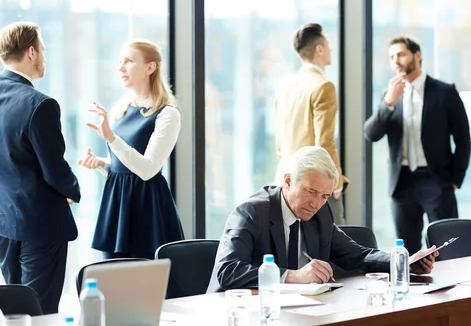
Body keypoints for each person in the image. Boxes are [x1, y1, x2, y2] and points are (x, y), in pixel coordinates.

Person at [207, 146, 438, 293]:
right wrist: (294, 276)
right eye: (311, 192)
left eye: (325, 196)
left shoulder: (320, 214)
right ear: (287, 181)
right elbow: (228, 271)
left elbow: (357, 254)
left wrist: (402, 264)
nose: (316, 203)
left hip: (294, 312)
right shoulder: (251, 212)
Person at [0, 21, 81, 314]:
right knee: (40, 310)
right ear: (31, 52)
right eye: (44, 50)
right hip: (40, 225)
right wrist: (72, 188)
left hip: (5, 221)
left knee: (16, 311)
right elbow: (54, 169)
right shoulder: (40, 104)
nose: (45, 57)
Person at [77, 39, 184, 259]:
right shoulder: (121, 107)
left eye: (128, 61)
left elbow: (147, 169)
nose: (120, 68)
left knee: (147, 283)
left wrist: (111, 138)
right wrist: (101, 164)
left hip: (147, 209)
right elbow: (122, 166)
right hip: (117, 205)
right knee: (113, 281)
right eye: (120, 61)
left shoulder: (167, 114)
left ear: (150, 67)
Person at [364, 35, 471, 255]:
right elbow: (371, 134)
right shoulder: (388, 96)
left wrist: (455, 180)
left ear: (417, 55)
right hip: (402, 183)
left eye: (401, 54)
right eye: (392, 57)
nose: (396, 61)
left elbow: (463, 138)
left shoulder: (445, 92)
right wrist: (388, 104)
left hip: (437, 181)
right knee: (408, 252)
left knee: (447, 247)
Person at [273, 23, 349, 224]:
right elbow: (324, 143)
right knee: (333, 249)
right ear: (319, 49)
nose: (331, 50)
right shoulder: (323, 86)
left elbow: (280, 143)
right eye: (328, 45)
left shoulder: (285, 87)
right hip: (315, 181)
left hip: (286, 181)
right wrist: (337, 183)